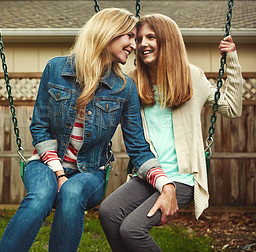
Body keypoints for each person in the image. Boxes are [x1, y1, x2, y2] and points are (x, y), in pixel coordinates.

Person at [0, 8, 173, 252]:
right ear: (109, 33)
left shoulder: (125, 89)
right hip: (45, 164)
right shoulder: (56, 69)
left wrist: (165, 184)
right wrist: (59, 173)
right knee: (40, 197)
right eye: (130, 36)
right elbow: (40, 127)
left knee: (71, 192)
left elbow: (138, 148)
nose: (134, 44)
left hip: (90, 172)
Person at [99, 13, 243, 252]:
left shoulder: (192, 77)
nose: (142, 43)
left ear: (168, 40)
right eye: (139, 38)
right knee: (109, 212)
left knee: (132, 229)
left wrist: (232, 62)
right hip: (150, 173)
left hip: (182, 177)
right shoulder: (132, 81)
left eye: (151, 37)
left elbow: (232, 108)